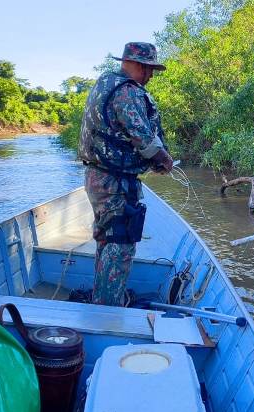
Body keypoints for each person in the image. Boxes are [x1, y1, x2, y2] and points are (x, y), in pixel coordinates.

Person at [79, 42, 174, 306]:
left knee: (106, 238)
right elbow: (144, 138)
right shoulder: (127, 93)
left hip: (97, 178)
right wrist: (165, 161)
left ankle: (103, 298)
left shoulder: (104, 82)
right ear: (138, 65)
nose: (151, 76)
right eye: (150, 69)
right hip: (113, 181)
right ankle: (109, 309)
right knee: (120, 242)